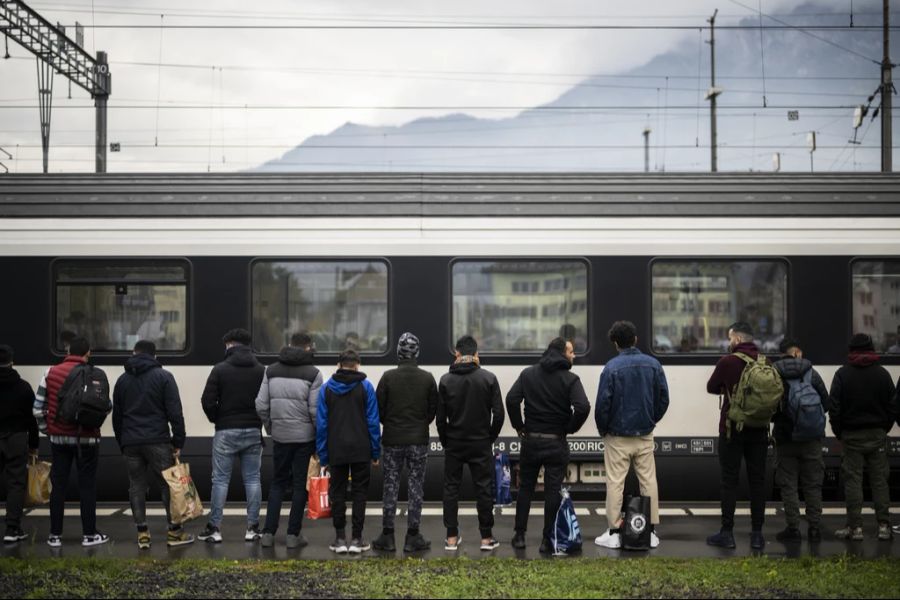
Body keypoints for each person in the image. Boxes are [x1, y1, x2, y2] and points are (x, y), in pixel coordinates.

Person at [507, 337, 589, 553]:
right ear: (562, 353)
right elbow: (582, 407)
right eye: (571, 351)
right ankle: (546, 540)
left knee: (525, 488)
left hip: (531, 440)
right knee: (553, 491)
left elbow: (511, 399)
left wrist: (519, 425)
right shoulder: (570, 379)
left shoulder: (528, 374)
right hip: (556, 443)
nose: (573, 355)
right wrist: (569, 428)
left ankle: (519, 536)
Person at [593, 322, 669, 549]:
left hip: (617, 436)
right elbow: (663, 399)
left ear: (615, 343)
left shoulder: (611, 368)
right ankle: (650, 531)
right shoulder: (653, 365)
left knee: (616, 483)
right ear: (635, 339)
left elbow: (602, 405)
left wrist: (603, 429)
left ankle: (615, 531)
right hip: (644, 435)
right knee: (648, 481)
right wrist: (650, 420)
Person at [112, 340, 193, 548]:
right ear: (155, 356)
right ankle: (174, 532)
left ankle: (142, 533)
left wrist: (122, 442)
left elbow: (117, 417)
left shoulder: (122, 380)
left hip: (131, 442)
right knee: (168, 485)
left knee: (136, 486)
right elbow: (175, 412)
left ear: (133, 353)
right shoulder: (164, 377)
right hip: (158, 440)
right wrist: (178, 441)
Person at [33, 336, 111, 547]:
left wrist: (48, 431)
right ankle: (89, 535)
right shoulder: (96, 373)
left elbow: (37, 408)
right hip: (88, 440)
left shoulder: (50, 372)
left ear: (67, 351)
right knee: (87, 486)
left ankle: (55, 535)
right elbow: (106, 405)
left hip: (58, 439)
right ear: (88, 353)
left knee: (58, 486)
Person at [705, 322, 770, 550]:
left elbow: (711, 387)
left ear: (738, 340)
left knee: (729, 481)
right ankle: (757, 534)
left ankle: (727, 532)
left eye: (730, 338)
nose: (729, 342)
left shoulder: (728, 361)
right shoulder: (765, 362)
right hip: (759, 430)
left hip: (732, 429)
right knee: (757, 481)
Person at [437, 335, 504, 552]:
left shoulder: (446, 381)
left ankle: (451, 538)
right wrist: (489, 437)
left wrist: (446, 440)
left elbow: (440, 419)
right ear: (476, 355)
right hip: (480, 442)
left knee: (451, 489)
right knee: (483, 488)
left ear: (457, 354)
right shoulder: (489, 378)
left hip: (455, 443)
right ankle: (486, 538)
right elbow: (499, 414)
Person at [255, 333, 322, 549]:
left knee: (278, 483)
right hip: (304, 438)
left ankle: (268, 534)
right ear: (307, 348)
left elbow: (261, 405)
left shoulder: (271, 370)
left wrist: (271, 427)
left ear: (290, 345)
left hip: (281, 436)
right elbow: (315, 411)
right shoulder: (314, 373)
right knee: (300, 485)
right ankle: (293, 535)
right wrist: (317, 434)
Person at [373, 332, 438, 553]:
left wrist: (392, 422)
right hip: (418, 439)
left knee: (390, 486)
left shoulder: (388, 377)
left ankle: (388, 535)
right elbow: (432, 411)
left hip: (392, 439)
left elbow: (379, 411)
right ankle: (413, 536)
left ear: (399, 353)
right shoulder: (428, 378)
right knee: (415, 486)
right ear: (416, 353)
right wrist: (419, 424)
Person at [198, 328, 266, 543]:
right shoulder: (261, 370)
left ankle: (215, 528)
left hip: (226, 430)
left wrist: (218, 418)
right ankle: (252, 528)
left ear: (230, 345)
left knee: (220, 480)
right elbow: (265, 402)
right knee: (253, 479)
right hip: (253, 430)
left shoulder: (220, 369)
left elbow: (207, 401)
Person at [829, 333, 898, 541]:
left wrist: (839, 431)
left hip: (851, 436)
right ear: (871, 349)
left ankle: (855, 528)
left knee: (853, 481)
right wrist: (883, 429)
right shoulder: (882, 374)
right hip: (877, 434)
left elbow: (834, 407)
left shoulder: (843, 374)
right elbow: (893, 406)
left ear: (851, 351)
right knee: (879, 482)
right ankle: (884, 526)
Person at [316, 350, 381, 554]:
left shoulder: (326, 389)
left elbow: (322, 425)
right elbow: (372, 422)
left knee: (337, 493)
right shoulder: (366, 387)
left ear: (339, 365)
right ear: (358, 365)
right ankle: (357, 539)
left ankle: (339, 538)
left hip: (336, 449)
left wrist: (323, 455)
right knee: (360, 493)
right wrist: (375, 451)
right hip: (361, 449)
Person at [772, 338, 828, 543]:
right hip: (812, 438)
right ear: (797, 352)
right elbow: (826, 402)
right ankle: (814, 528)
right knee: (813, 485)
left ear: (783, 354)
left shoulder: (775, 373)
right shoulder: (812, 372)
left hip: (786, 438)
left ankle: (793, 528)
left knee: (789, 485)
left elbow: (771, 407)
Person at [0, 345, 39, 543]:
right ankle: (12, 529)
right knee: (16, 483)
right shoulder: (22, 387)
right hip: (16, 438)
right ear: (12, 362)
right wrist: (34, 444)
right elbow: (31, 419)